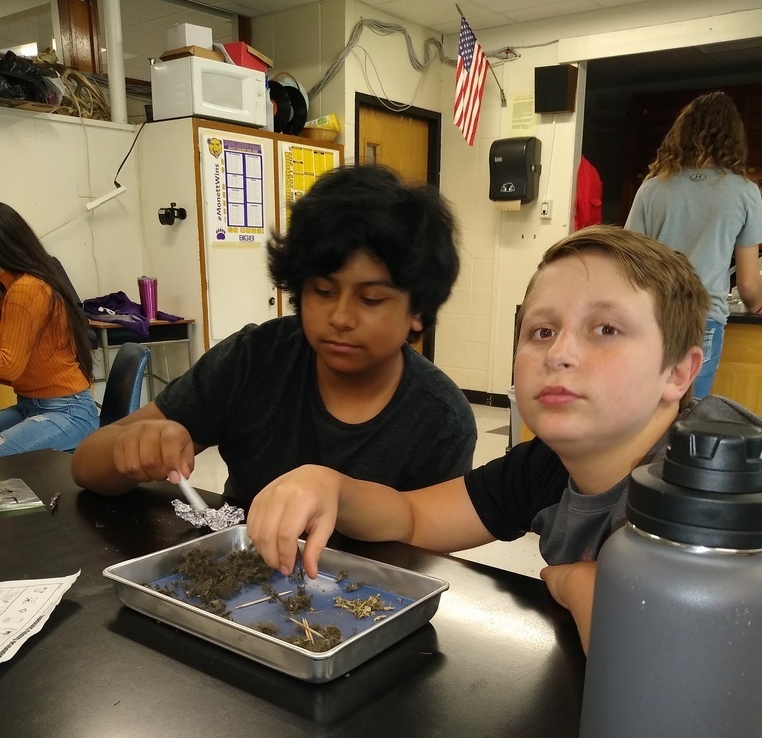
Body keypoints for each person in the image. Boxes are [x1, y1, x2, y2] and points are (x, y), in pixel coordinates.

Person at [245, 226, 762, 654]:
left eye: (605, 329)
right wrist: (331, 485)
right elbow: (414, 517)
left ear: (679, 372)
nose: (559, 353)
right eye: (542, 331)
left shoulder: (725, 473)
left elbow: (679, 672)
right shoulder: (548, 466)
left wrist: (584, 588)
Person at [71, 164, 476, 500]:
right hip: (238, 581)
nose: (340, 317)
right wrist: (132, 449)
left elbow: (426, 560)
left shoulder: (441, 420)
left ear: (418, 309)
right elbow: (85, 465)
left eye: (370, 299)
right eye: (323, 291)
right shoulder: (254, 360)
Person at [625, 90, 762, 398]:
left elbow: (629, 261)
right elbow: (747, 284)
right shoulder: (744, 192)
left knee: (644, 410)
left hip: (653, 314)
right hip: (702, 319)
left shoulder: (652, 188)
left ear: (683, 131)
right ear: (734, 137)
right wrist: (757, 307)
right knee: (687, 422)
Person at [0, 204, 99, 455]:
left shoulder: (27, 288)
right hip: (32, 407)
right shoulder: (12, 288)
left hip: (67, 412)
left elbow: (8, 364)